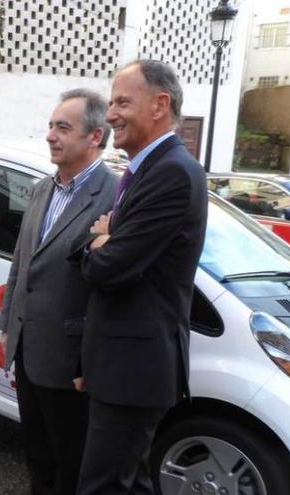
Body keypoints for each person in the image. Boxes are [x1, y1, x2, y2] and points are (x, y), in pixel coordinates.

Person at [75, 60, 207, 494]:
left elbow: (107, 267)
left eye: (122, 102)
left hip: (135, 371)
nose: (110, 114)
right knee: (128, 482)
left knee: (103, 485)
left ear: (159, 105)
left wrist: (102, 241)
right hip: (123, 367)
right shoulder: (147, 169)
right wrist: (103, 238)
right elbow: (103, 249)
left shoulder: (171, 172)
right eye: (111, 102)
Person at [0, 89, 118, 495]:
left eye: (63, 128)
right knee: (37, 454)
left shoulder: (115, 195)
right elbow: (22, 261)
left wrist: (91, 357)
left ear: (95, 137)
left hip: (72, 363)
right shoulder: (40, 190)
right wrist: (7, 324)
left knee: (72, 463)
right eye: (50, 126)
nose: (50, 135)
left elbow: (112, 284)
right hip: (28, 347)